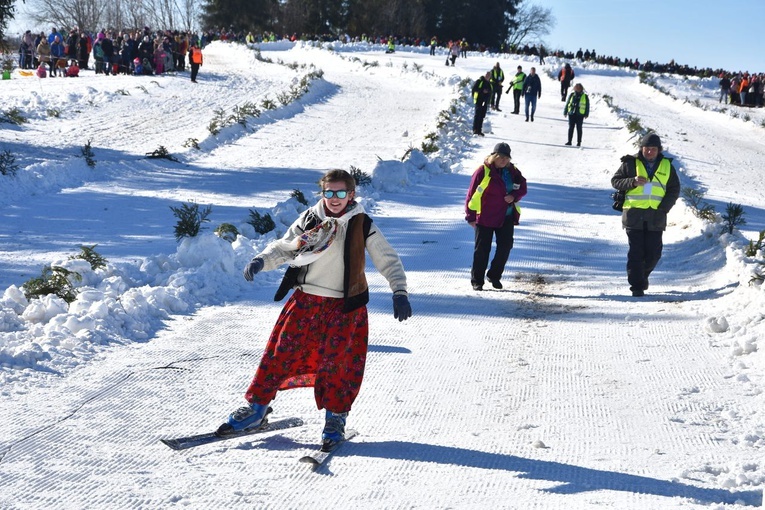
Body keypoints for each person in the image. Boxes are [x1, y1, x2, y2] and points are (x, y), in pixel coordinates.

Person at [219, 169, 411, 450]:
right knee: (278, 354)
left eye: (340, 193)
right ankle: (256, 409)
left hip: (345, 307)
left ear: (352, 194)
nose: (334, 199)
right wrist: (262, 260)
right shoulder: (311, 219)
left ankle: (335, 419)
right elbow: (285, 247)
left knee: (338, 365)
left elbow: (387, 258)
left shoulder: (361, 224)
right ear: (323, 194)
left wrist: (400, 291)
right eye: (329, 193)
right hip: (306, 300)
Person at [610, 133, 680, 297]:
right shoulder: (630, 163)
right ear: (641, 149)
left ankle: (643, 276)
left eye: (653, 149)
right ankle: (637, 286)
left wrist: (664, 208)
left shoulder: (667, 166)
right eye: (646, 149)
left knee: (654, 253)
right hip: (634, 215)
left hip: (656, 216)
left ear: (659, 150)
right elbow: (615, 181)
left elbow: (674, 189)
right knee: (636, 252)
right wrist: (632, 182)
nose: (649, 152)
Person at [465, 142, 527, 291]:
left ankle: (494, 275)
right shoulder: (483, 171)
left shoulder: (513, 171)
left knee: (505, 247)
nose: (504, 161)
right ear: (494, 156)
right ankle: (477, 281)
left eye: (507, 158)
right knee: (482, 249)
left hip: (506, 216)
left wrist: (514, 196)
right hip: (485, 216)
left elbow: (523, 186)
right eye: (501, 157)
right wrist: (470, 216)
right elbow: (471, 193)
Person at [471, 71, 493, 136]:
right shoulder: (479, 81)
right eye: (486, 75)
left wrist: (490, 102)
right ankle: (475, 129)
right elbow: (474, 89)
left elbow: (491, 93)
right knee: (477, 115)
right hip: (478, 100)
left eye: (488, 75)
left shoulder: (489, 84)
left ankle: (479, 130)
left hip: (485, 102)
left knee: (482, 116)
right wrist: (482, 90)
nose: (487, 76)